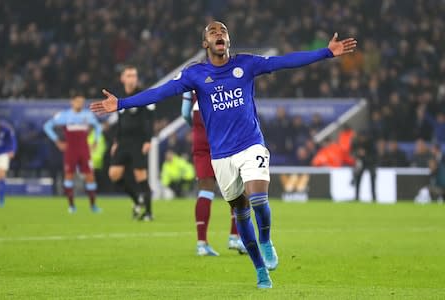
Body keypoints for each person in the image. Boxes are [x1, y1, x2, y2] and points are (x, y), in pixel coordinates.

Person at [90, 21, 356, 288]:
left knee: (259, 198)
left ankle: (265, 240)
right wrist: (122, 104)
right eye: (213, 32)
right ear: (205, 43)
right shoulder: (195, 74)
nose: (219, 34)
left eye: (223, 31)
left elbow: (284, 61)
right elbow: (159, 93)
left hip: (251, 145)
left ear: (228, 40)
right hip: (221, 156)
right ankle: (260, 270)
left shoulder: (247, 64)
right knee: (240, 210)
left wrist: (326, 52)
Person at [182, 90, 247, 256]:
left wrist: (196, 128)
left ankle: (201, 244)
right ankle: (235, 237)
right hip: (221, 130)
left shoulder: (191, 71)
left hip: (199, 131)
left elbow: (184, 113)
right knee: (238, 187)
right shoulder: (223, 71)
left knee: (205, 190)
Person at [107, 66, 155, 221]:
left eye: (134, 75)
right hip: (122, 141)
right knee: (114, 174)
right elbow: (120, 122)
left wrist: (148, 140)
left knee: (140, 176)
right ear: (123, 78)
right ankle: (137, 200)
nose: (132, 78)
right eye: (129, 75)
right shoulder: (119, 97)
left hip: (138, 141)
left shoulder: (144, 95)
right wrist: (116, 141)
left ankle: (148, 213)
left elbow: (149, 119)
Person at [43, 95, 102, 213]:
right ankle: (71, 206)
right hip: (71, 150)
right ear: (72, 102)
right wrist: (57, 141)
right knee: (69, 176)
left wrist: (95, 140)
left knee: (90, 176)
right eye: (77, 101)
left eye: (81, 101)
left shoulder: (88, 115)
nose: (79, 104)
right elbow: (47, 126)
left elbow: (97, 126)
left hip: (84, 150)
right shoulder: (64, 115)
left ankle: (93, 206)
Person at [351, 131, 377, 201]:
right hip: (361, 163)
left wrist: (365, 154)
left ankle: (374, 197)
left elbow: (374, 155)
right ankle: (356, 197)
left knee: (373, 177)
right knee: (357, 178)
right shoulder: (356, 142)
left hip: (370, 163)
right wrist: (357, 153)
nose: (362, 139)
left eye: (363, 137)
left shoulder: (371, 143)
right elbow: (352, 152)